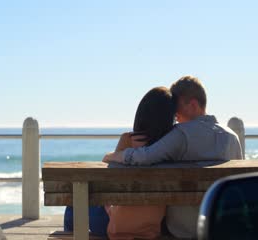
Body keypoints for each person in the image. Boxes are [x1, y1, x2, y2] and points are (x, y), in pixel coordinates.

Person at [103, 75, 243, 239]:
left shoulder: (181, 134)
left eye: (176, 111)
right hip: (222, 226)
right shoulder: (232, 137)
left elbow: (145, 157)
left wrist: (113, 155)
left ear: (192, 105)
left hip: (184, 228)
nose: (174, 117)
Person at [64, 86, 176, 239]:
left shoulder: (127, 140)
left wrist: (111, 155)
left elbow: (107, 178)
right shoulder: (172, 147)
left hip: (114, 225)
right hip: (151, 229)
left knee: (73, 204)